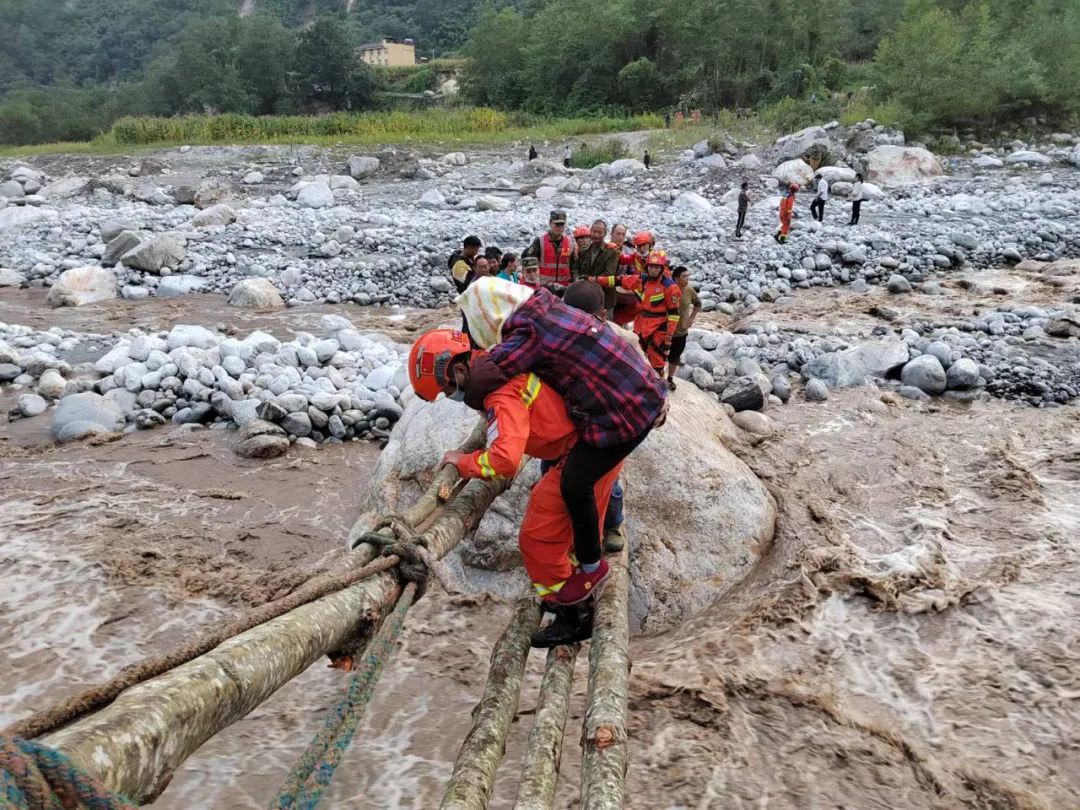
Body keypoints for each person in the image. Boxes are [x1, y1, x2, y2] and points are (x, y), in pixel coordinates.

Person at [456, 277, 669, 602]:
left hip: (623, 415)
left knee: (575, 484)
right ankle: (588, 559)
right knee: (579, 485)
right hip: (636, 400)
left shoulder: (527, 332)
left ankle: (590, 568)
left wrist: (466, 390)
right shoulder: (547, 304)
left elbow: (489, 374)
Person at [407, 327, 620, 646]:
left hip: (581, 449)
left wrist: (463, 462)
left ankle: (574, 616)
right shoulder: (497, 362)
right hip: (595, 442)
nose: (450, 396)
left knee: (537, 538)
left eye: (447, 388)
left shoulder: (500, 392)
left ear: (460, 369)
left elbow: (504, 460)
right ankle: (573, 585)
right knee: (570, 524)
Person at [596, 249, 681, 378]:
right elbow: (619, 280)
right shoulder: (640, 280)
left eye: (656, 267)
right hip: (640, 324)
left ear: (662, 268)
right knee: (635, 354)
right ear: (647, 266)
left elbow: (674, 315)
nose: (653, 270)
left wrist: (669, 337)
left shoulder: (670, 287)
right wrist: (597, 280)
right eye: (651, 266)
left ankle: (658, 386)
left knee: (657, 361)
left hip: (658, 328)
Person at [573, 220, 619, 317]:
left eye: (600, 232)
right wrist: (576, 279)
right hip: (587, 298)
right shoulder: (584, 251)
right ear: (590, 231)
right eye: (594, 231)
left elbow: (608, 274)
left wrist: (588, 281)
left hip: (605, 300)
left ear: (605, 234)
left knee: (606, 327)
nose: (596, 235)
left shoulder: (611, 252)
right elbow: (576, 268)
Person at [666, 266, 702, 391]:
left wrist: (691, 318)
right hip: (665, 331)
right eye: (684, 276)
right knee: (659, 356)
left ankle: (669, 379)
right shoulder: (668, 290)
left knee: (674, 357)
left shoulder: (689, 291)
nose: (687, 279)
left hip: (681, 331)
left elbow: (698, 304)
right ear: (676, 278)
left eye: (688, 276)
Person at [522, 210, 575, 291]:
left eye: (562, 224)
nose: (559, 227)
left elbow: (574, 266)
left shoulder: (570, 242)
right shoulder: (540, 241)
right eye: (557, 224)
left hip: (564, 288)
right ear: (550, 223)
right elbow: (529, 265)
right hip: (544, 288)